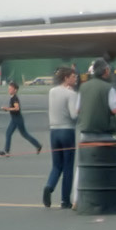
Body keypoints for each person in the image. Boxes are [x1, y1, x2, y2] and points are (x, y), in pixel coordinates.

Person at [77, 58, 116, 207]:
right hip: (103, 131)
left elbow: (78, 109)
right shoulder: (108, 88)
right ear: (105, 71)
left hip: (86, 130)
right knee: (114, 165)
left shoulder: (83, 87)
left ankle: (78, 199)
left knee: (85, 168)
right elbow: (115, 109)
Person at [43, 66, 80, 209]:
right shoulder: (71, 94)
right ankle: (65, 200)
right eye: (73, 76)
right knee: (68, 167)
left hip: (54, 131)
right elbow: (73, 115)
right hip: (67, 131)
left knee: (56, 165)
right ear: (66, 78)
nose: (75, 78)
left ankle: (49, 186)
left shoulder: (52, 91)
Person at [0, 81, 42, 157]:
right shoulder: (12, 98)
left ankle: (38, 145)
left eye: (11, 88)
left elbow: (17, 108)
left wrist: (7, 109)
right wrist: (7, 109)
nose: (9, 90)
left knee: (24, 134)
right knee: (8, 133)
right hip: (14, 119)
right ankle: (6, 151)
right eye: (9, 88)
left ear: (15, 90)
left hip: (18, 119)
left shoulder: (14, 98)